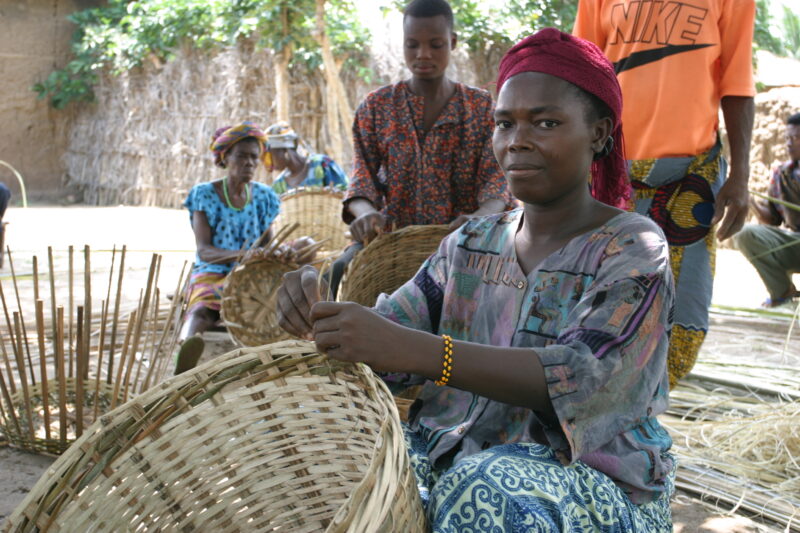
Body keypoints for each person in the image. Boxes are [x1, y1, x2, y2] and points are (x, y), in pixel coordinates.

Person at [277, 29, 675, 531]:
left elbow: (581, 379)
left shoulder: (633, 248)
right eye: (504, 123)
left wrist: (424, 353)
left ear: (598, 133)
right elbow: (387, 332)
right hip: (453, 457)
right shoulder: (471, 244)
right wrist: (319, 314)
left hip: (592, 485)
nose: (517, 141)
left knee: (486, 489)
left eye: (546, 122)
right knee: (327, 449)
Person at [574, 0, 756, 387]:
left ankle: (646, 415)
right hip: (610, 174)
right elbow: (582, 76)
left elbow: (737, 81)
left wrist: (740, 174)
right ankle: (597, 409)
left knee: (681, 307)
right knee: (601, 304)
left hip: (688, 183)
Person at [326, 0, 513, 297]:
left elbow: (496, 178)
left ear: (452, 42)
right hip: (392, 244)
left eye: (436, 44)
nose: (423, 54)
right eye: (412, 45)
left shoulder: (480, 108)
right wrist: (366, 214)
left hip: (464, 245)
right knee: (337, 272)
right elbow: (363, 176)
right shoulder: (377, 107)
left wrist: (481, 216)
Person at [176, 121, 281, 373]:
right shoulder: (204, 194)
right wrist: (245, 254)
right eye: (242, 156)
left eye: (254, 158)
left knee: (280, 307)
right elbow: (205, 252)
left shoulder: (265, 197)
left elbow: (269, 247)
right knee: (203, 309)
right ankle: (184, 354)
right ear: (225, 157)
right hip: (213, 272)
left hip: (252, 276)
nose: (250, 163)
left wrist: (275, 253)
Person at [735, 112, 800, 308]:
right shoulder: (781, 173)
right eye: (787, 138)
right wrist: (751, 201)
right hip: (793, 242)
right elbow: (772, 219)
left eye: (796, 138)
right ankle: (783, 292)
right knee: (745, 234)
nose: (790, 143)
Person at [265, 121, 349, 195]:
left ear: (285, 150)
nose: (268, 162)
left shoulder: (321, 164)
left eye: (271, 155)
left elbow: (346, 192)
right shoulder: (279, 185)